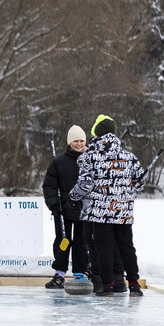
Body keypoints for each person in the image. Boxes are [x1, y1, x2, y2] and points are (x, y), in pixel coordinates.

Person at [70, 115, 145, 296]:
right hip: (123, 211)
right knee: (126, 246)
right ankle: (134, 284)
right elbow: (140, 183)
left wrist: (72, 196)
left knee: (104, 248)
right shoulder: (129, 157)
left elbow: (85, 184)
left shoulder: (89, 157)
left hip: (100, 212)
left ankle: (107, 285)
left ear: (96, 133)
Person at [81, 117, 127, 293]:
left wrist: (73, 197)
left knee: (94, 242)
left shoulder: (93, 154)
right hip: (118, 207)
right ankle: (117, 279)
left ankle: (101, 279)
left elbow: (85, 182)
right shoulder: (121, 152)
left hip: (96, 206)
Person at [42, 125, 89, 289]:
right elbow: (49, 186)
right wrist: (54, 204)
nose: (79, 144)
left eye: (82, 140)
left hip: (85, 211)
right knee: (63, 241)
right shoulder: (59, 162)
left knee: (81, 243)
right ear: (70, 142)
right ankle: (59, 274)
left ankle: (80, 273)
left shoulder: (91, 160)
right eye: (76, 140)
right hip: (63, 211)